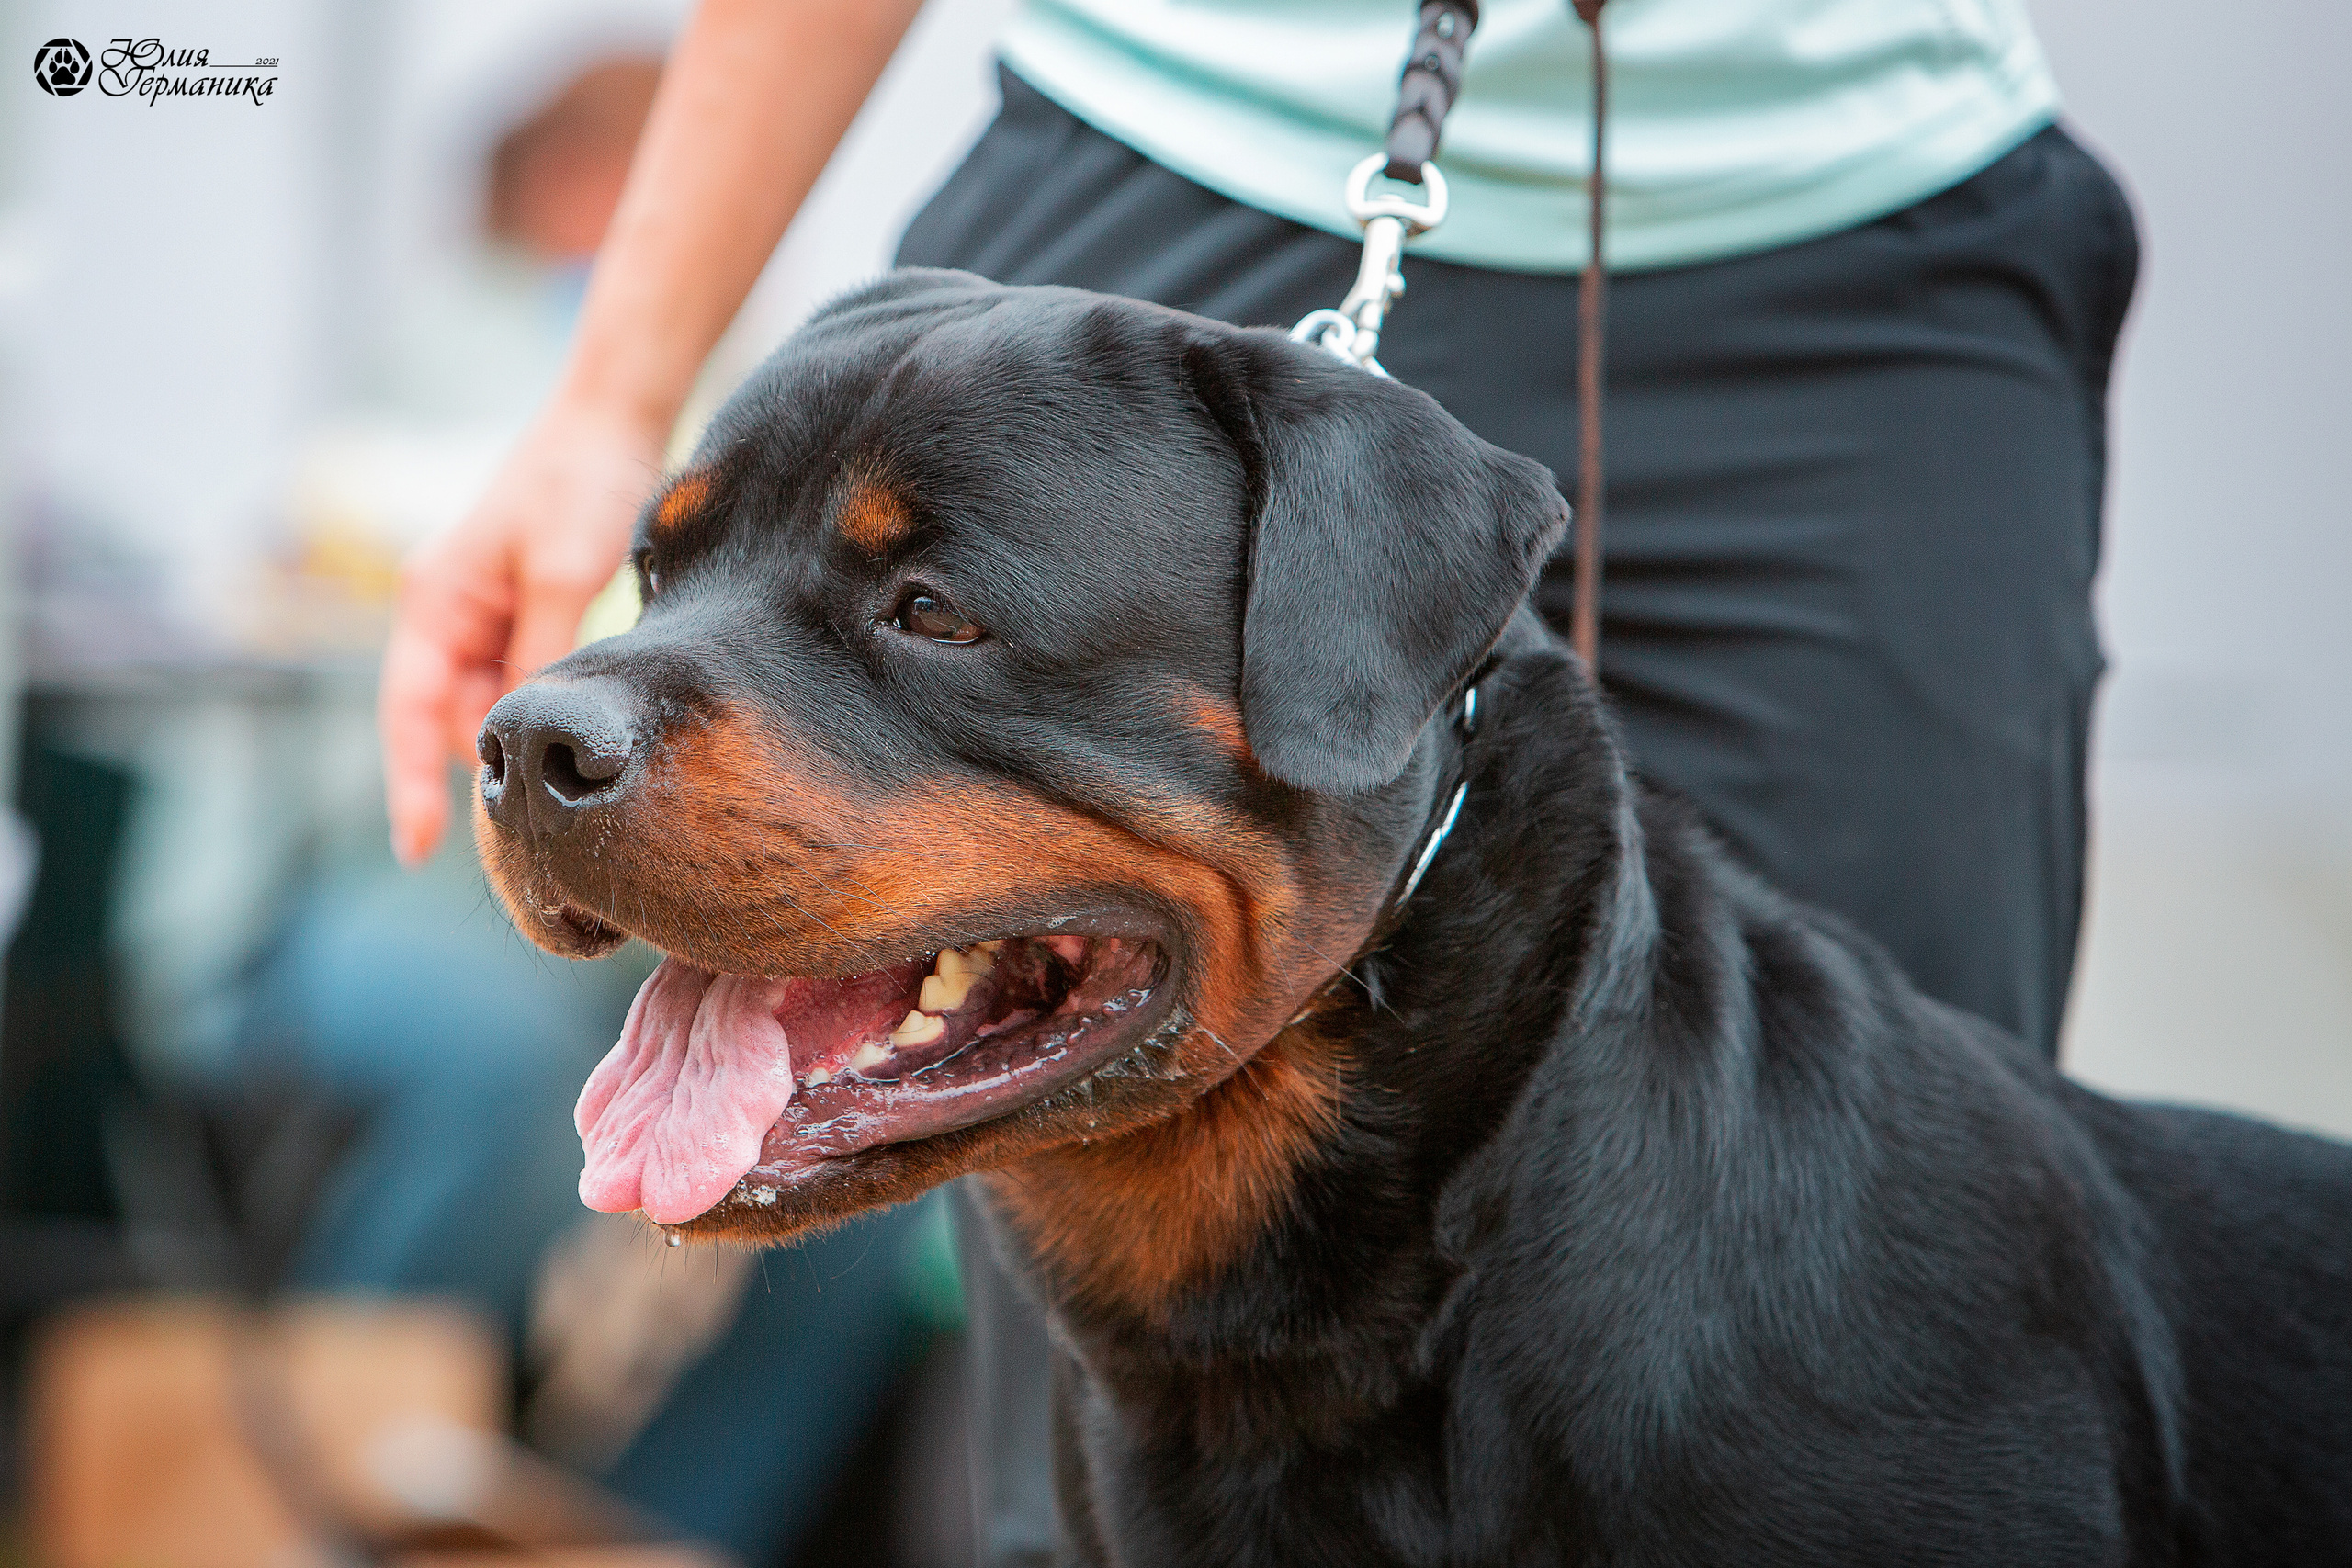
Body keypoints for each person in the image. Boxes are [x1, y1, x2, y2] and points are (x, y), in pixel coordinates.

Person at [379, 1, 2138, 1562]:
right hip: (1172, 143)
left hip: (1865, 265)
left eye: (920, 607)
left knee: (1879, 1353)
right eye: (674, 574)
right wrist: (613, 394)